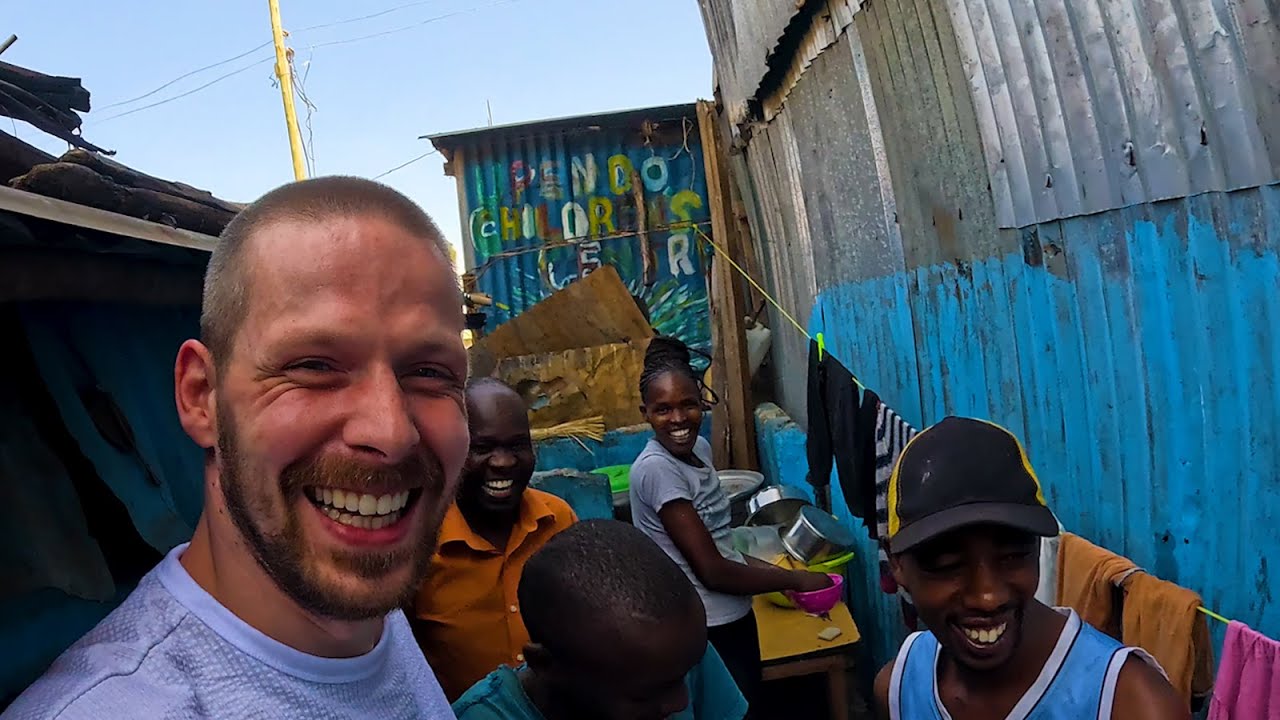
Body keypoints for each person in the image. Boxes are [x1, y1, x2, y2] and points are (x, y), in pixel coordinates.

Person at [2, 177, 469, 719]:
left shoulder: (370, 619)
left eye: (430, 373)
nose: (391, 433)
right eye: (313, 366)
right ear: (201, 396)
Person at [873, 417, 1190, 720]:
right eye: (948, 565)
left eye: (1013, 556)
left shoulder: (1129, 704)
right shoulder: (899, 692)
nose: (988, 596)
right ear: (896, 563)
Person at [627, 336, 830, 709]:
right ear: (645, 413)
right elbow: (712, 570)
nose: (677, 419)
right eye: (663, 410)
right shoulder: (657, 469)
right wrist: (793, 578)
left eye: (688, 405)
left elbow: (722, 544)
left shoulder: (699, 450)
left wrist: (776, 578)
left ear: (702, 403)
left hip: (734, 616)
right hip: (701, 628)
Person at [451, 519, 748, 720]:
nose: (681, 702)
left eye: (683, 676)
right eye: (643, 696)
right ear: (546, 665)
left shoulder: (674, 658)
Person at [410, 378, 577, 700]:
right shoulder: (419, 544)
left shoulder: (558, 520)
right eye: (483, 448)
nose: (503, 462)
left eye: (517, 445)